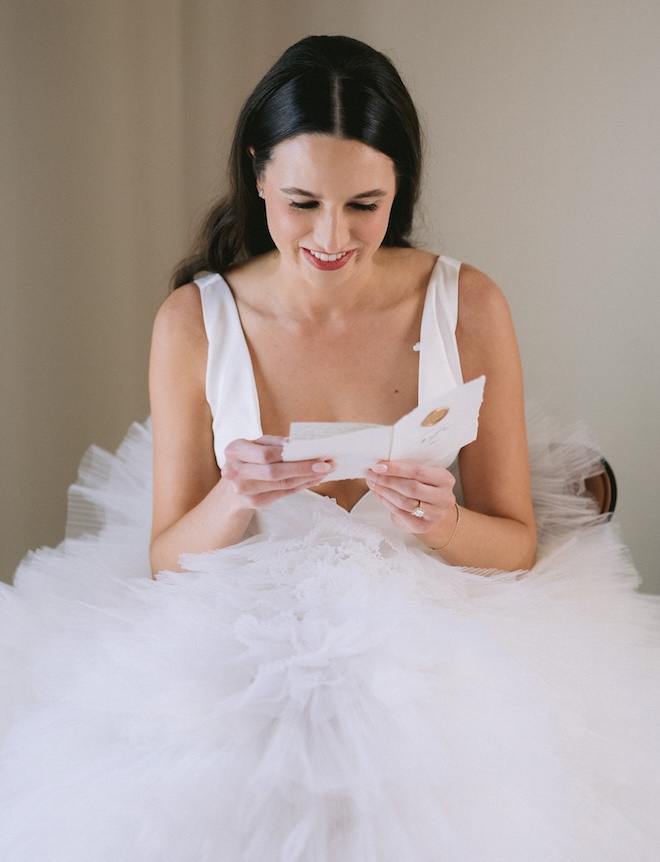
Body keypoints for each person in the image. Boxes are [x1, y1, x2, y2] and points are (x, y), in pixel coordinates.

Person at [0, 34, 658, 862]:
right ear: (257, 174)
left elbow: (516, 544)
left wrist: (441, 524)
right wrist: (236, 493)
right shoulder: (193, 324)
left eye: (365, 206)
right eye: (302, 202)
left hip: (439, 630)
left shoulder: (469, 305)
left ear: (398, 188)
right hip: (241, 629)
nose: (333, 238)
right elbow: (168, 559)